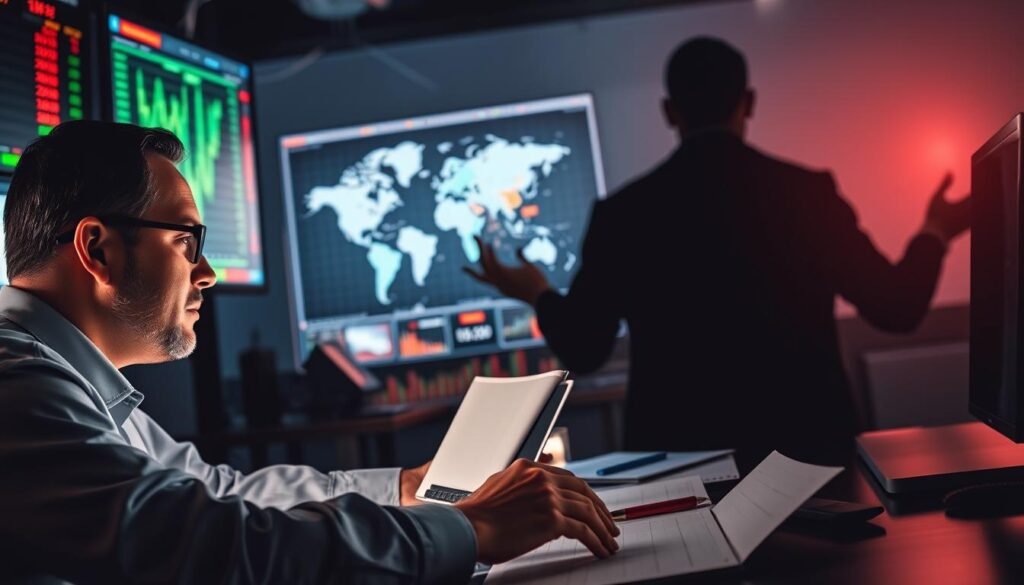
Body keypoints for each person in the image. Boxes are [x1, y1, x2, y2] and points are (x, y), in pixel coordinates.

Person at [0, 120, 619, 584]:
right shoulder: (19, 389)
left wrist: (408, 486)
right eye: (187, 240)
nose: (207, 272)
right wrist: (472, 528)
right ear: (98, 249)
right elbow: (214, 546)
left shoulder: (70, 383)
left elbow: (217, 492)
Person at [467, 37, 970, 468]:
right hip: (810, 462)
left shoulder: (625, 213)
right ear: (748, 102)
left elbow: (585, 349)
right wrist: (935, 231)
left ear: (669, 111)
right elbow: (898, 308)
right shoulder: (808, 194)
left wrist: (535, 292)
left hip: (681, 468)